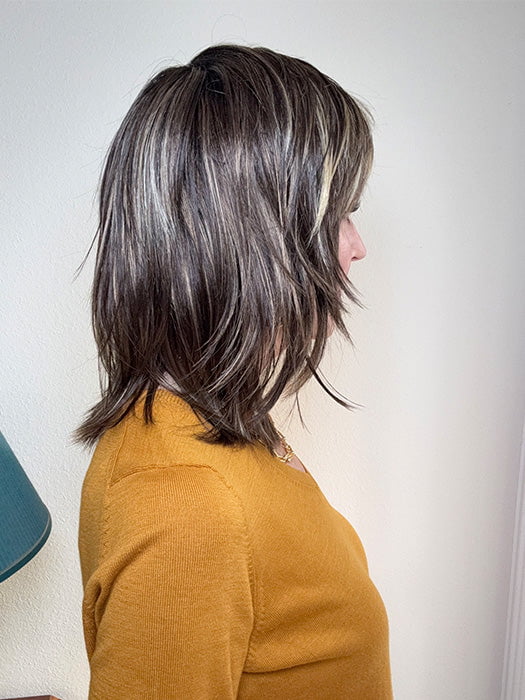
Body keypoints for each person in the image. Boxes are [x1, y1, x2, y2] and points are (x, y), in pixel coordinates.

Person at [74, 43, 393, 699]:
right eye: (339, 213)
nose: (357, 246)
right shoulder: (185, 501)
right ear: (253, 232)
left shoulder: (216, 423)